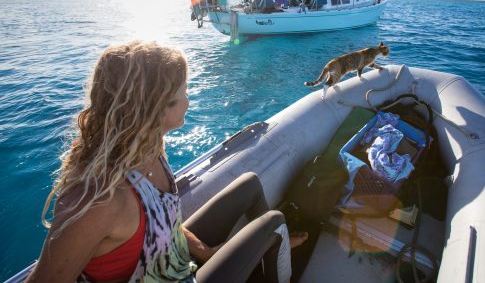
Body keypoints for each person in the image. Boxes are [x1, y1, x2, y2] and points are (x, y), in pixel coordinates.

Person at [26, 41, 306, 283]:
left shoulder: (149, 147)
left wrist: (207, 253)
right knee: (274, 223)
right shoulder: (100, 199)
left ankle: (265, 255)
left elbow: (164, 221)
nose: (189, 99)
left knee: (250, 184)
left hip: (172, 262)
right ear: (155, 107)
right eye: (184, 91)